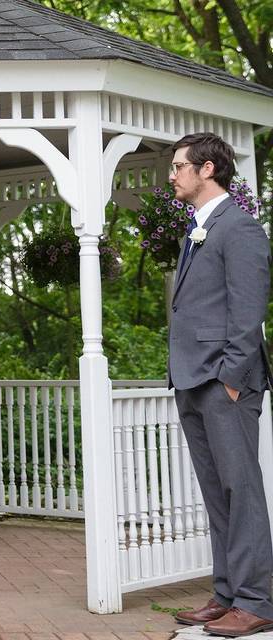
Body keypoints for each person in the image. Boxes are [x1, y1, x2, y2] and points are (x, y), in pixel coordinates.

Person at [167, 133, 273, 637]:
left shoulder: (241, 228)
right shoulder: (197, 231)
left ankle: (257, 600)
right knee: (216, 492)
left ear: (207, 169)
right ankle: (228, 592)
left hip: (223, 380)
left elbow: (248, 313)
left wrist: (230, 379)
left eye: (179, 166)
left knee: (241, 489)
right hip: (192, 377)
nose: (172, 174)